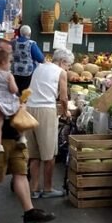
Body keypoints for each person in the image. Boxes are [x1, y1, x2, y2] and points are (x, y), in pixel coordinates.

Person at [0, 38, 55, 223]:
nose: (12, 56)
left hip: (15, 135)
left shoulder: (9, 74)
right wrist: (11, 109)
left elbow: (15, 96)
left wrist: (20, 105)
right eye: (9, 52)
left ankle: (29, 212)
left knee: (20, 172)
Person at [26, 48, 71, 199]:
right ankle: (48, 188)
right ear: (62, 61)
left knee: (34, 154)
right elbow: (64, 98)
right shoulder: (61, 72)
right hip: (45, 111)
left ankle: (33, 189)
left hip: (29, 109)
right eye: (68, 65)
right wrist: (66, 112)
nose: (68, 69)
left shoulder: (39, 67)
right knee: (49, 154)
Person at [0, 43, 27, 155]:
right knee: (18, 119)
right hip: (10, 102)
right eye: (10, 62)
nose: (10, 65)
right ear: (3, 62)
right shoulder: (8, 75)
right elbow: (13, 90)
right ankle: (22, 137)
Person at [11, 25, 45, 93]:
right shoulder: (31, 44)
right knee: (25, 93)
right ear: (29, 34)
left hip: (15, 71)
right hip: (28, 73)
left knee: (17, 91)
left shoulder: (13, 42)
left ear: (20, 33)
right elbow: (41, 59)